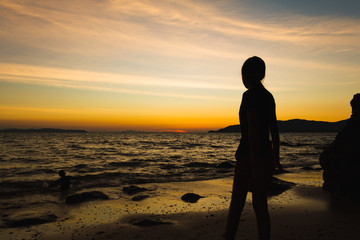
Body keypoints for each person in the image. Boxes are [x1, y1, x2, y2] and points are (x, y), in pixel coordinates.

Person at [225, 56, 282, 240]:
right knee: (261, 206)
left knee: (236, 206)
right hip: (266, 156)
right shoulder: (269, 96)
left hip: (249, 157)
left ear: (247, 75)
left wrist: (255, 164)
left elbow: (252, 129)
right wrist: (276, 158)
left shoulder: (249, 96)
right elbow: (274, 130)